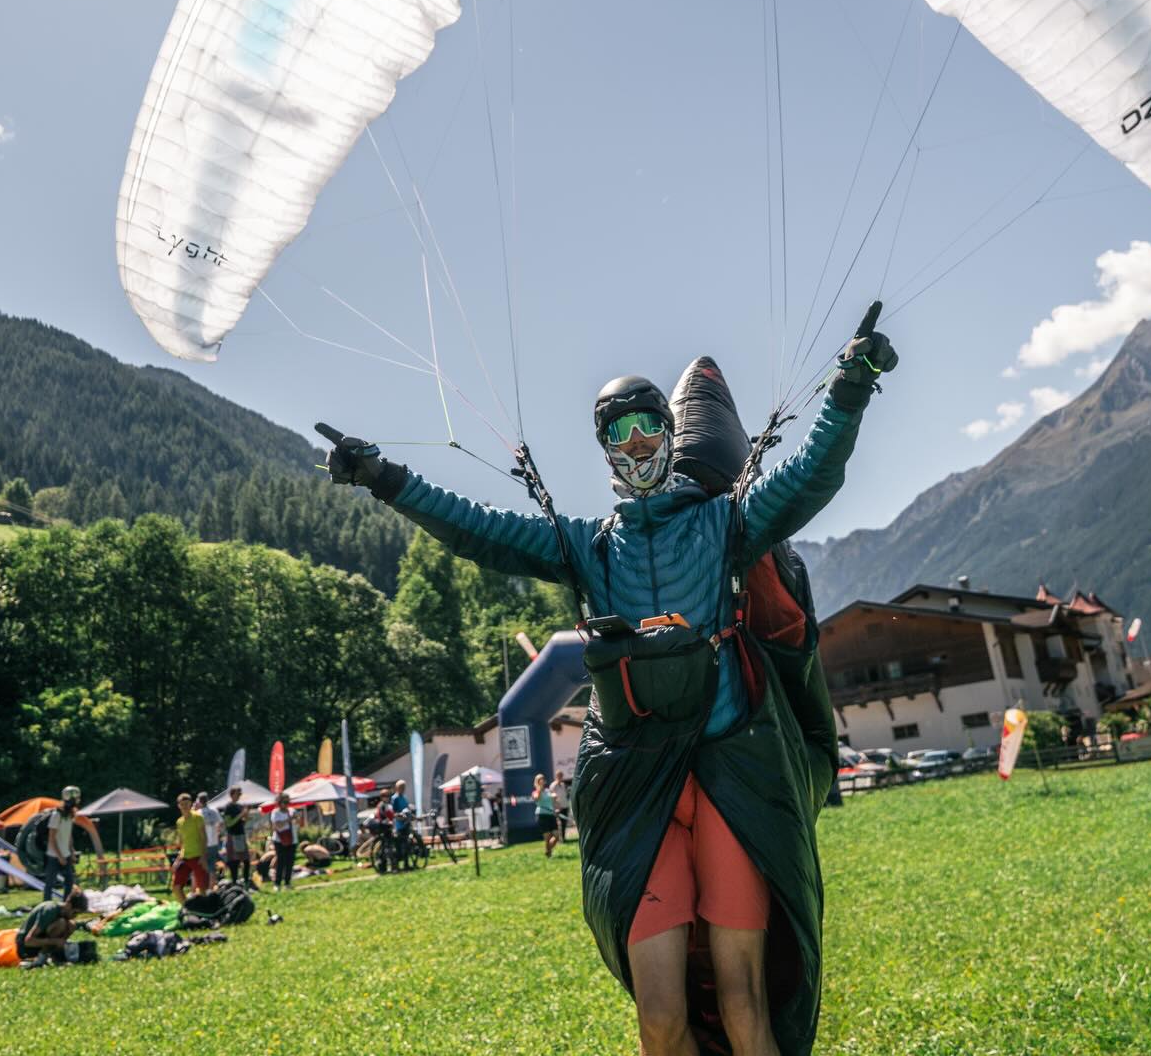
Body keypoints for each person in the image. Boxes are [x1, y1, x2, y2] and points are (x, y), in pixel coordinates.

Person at [319, 312, 896, 1056]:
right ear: (603, 448)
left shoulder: (725, 523)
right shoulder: (590, 548)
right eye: (618, 432)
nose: (636, 445)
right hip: (636, 788)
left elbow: (810, 474)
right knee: (659, 1016)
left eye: (648, 427)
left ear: (669, 431)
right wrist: (385, 479)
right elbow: (477, 527)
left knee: (746, 1001)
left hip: (728, 773)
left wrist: (851, 384)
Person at [16, 885, 88, 963]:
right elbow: (28, 941)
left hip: (38, 944)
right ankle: (41, 957)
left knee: (71, 925)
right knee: (61, 923)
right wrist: (55, 941)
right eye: (75, 912)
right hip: (25, 948)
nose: (74, 916)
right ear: (68, 904)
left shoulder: (65, 914)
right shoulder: (50, 910)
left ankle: (53, 955)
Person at [42, 786, 81, 902]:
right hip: (54, 855)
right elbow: (51, 838)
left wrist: (72, 852)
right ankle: (46, 906)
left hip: (66, 854)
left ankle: (65, 906)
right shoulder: (56, 815)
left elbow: (68, 836)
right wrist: (59, 856)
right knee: (50, 884)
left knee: (69, 882)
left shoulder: (70, 816)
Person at [171, 792, 211, 895]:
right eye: (182, 804)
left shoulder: (198, 817)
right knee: (176, 887)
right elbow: (183, 843)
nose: (184, 806)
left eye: (187, 803)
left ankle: (205, 909)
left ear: (191, 804)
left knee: (202, 889)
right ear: (179, 806)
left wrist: (203, 857)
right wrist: (177, 860)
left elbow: (204, 838)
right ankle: (187, 908)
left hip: (198, 857)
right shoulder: (179, 822)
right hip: (185, 858)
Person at [221, 785, 251, 886]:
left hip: (241, 835)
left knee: (246, 860)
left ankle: (246, 882)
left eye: (240, 794)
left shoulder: (239, 806)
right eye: (238, 793)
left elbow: (242, 822)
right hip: (233, 836)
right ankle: (234, 883)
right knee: (235, 861)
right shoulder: (228, 807)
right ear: (232, 794)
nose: (239, 795)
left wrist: (246, 817)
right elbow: (229, 823)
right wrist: (240, 815)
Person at [270, 791, 297, 889]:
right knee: (280, 862)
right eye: (284, 802)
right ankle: (277, 884)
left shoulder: (292, 811)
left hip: (292, 840)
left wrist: (294, 818)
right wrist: (288, 820)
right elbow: (277, 825)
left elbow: (298, 820)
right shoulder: (275, 812)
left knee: (290, 862)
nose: (286, 804)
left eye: (287, 802)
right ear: (279, 802)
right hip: (279, 840)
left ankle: (287, 883)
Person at [195, 792, 223, 882]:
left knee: (203, 866)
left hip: (203, 843)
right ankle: (212, 887)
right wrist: (217, 833)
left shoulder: (198, 813)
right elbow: (221, 824)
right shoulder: (214, 810)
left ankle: (204, 885)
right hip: (214, 842)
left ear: (199, 801)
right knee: (212, 866)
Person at [532, 774, 558, 858]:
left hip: (551, 814)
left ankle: (548, 850)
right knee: (547, 836)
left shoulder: (548, 791)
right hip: (541, 815)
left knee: (556, 835)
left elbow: (554, 800)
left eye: (543, 779)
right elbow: (536, 798)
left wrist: (556, 808)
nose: (542, 781)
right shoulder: (535, 791)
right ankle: (549, 853)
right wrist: (539, 788)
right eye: (540, 780)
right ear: (537, 782)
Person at [389, 781, 412, 870]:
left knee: (407, 845)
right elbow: (392, 812)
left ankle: (406, 864)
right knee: (399, 846)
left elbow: (408, 809)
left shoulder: (404, 798)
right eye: (401, 787)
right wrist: (399, 816)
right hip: (399, 825)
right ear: (397, 788)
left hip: (406, 823)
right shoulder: (394, 798)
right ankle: (398, 865)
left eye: (404, 787)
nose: (403, 789)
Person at [551, 768, 571, 846]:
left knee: (564, 823)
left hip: (565, 806)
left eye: (561, 776)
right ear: (556, 776)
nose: (560, 777)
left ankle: (563, 838)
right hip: (558, 808)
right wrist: (556, 807)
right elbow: (552, 798)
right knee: (558, 824)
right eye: (559, 776)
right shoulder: (553, 786)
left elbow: (566, 795)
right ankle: (559, 839)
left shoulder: (563, 785)